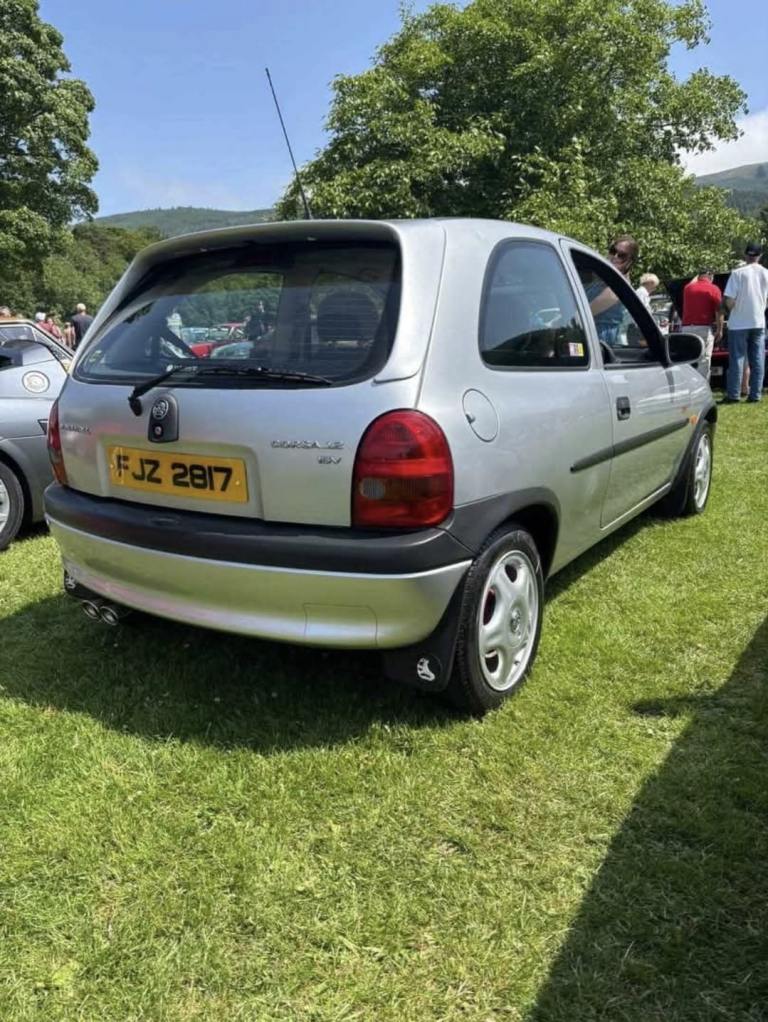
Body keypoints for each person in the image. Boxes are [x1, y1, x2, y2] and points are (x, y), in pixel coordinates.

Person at [722, 242, 768, 403]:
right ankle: (755, 394)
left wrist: (730, 311)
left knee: (737, 359)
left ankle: (734, 394)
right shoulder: (766, 273)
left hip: (738, 322)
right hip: (758, 322)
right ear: (760, 256)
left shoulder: (737, 273)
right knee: (758, 359)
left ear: (746, 255)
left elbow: (729, 299)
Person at [588, 235, 639, 346]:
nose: (615, 256)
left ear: (630, 261)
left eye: (622, 255)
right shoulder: (604, 278)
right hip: (590, 331)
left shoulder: (619, 284)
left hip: (601, 336)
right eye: (613, 251)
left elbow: (587, 311)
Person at [681, 269, 723, 381]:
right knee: (704, 359)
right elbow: (719, 311)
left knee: (689, 359)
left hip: (686, 328)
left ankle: (689, 383)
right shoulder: (714, 288)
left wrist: (699, 275)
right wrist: (720, 329)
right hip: (703, 327)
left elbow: (692, 281)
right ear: (710, 276)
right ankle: (703, 384)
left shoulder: (687, 288)